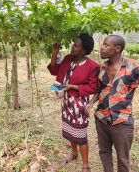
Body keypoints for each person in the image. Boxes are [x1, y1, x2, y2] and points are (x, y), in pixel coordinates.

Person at [85, 35, 139, 172]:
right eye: (103, 44)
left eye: (106, 45)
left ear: (117, 48)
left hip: (122, 121)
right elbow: (99, 90)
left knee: (123, 158)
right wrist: (90, 103)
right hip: (101, 118)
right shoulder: (102, 68)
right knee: (104, 152)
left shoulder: (134, 67)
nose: (101, 47)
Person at [47, 33, 99, 172]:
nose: (72, 46)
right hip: (66, 101)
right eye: (73, 44)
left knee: (80, 133)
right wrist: (54, 54)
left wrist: (72, 87)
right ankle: (74, 153)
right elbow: (54, 71)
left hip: (79, 103)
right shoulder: (68, 58)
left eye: (76, 45)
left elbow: (93, 87)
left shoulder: (92, 66)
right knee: (70, 129)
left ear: (83, 50)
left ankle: (86, 164)